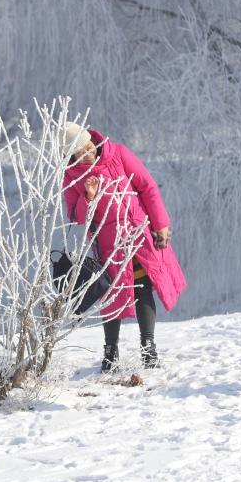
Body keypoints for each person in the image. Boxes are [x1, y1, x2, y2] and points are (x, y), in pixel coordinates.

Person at [62, 123, 187, 372]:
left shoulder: (118, 153)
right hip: (108, 246)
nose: (88, 155)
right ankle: (110, 353)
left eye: (89, 148)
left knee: (143, 289)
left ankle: (148, 349)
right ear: (71, 156)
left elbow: (147, 187)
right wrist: (88, 197)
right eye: (81, 153)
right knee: (111, 297)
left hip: (138, 236)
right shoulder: (72, 176)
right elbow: (75, 216)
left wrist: (161, 224)